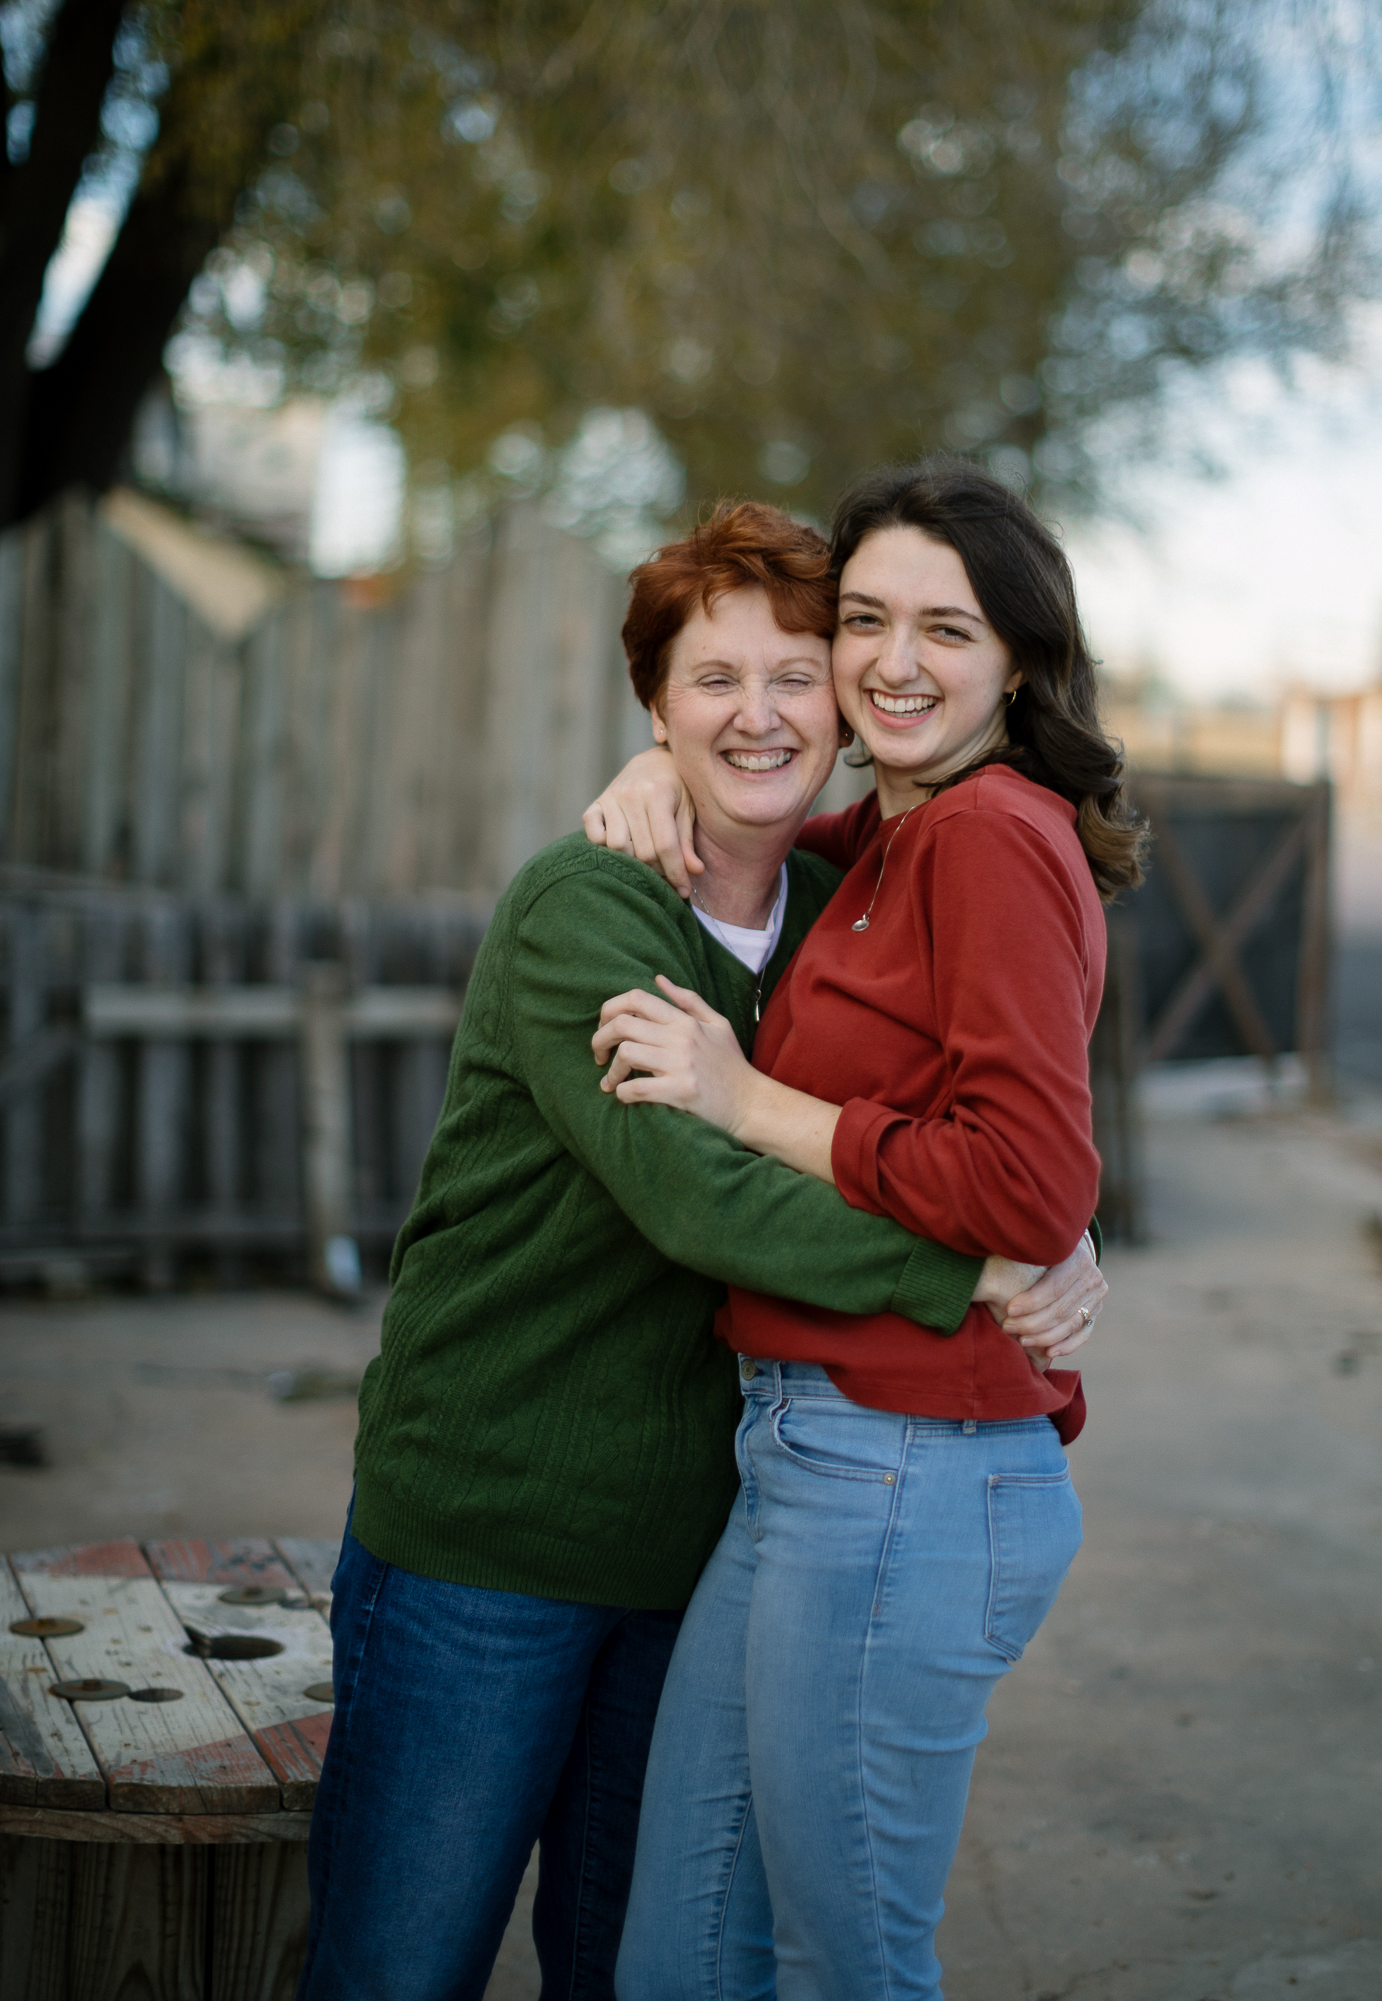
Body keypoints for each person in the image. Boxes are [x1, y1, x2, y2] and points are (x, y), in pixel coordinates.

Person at [296, 500, 1095, 2001]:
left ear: (845, 707)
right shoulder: (583, 908)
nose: (761, 711)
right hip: (495, 1540)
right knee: (400, 1966)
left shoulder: (841, 903)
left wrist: (1063, 1222)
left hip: (702, 1548)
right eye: (711, 679)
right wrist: (965, 1271)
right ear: (654, 706)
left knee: (633, 1961)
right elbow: (696, 1191)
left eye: (798, 671)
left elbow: (977, 1089)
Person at [584, 456, 1142, 2001]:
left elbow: (1032, 1183)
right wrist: (658, 776)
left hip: (907, 1469)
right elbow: (763, 831)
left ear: (1020, 659)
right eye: (870, 621)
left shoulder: (986, 837)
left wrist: (747, 1099)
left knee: (851, 1968)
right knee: (684, 1954)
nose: (897, 662)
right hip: (812, 1457)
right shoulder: (896, 839)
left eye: (948, 630)